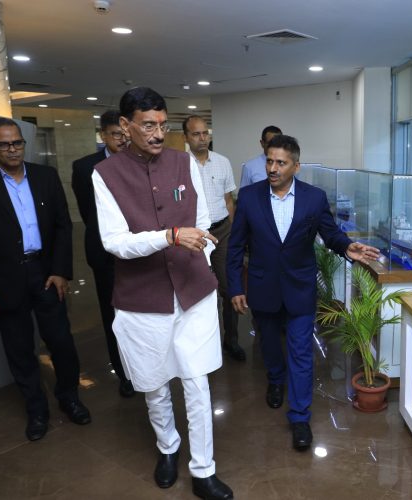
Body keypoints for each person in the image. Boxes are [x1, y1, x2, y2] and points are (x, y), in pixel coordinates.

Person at [92, 87, 232, 500]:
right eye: (147, 125)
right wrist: (168, 236)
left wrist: (202, 257)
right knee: (154, 384)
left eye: (163, 124)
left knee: (197, 382)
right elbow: (115, 242)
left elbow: (203, 222)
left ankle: (204, 469)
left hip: (194, 292)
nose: (157, 133)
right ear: (125, 125)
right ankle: (168, 447)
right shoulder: (106, 174)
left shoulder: (183, 162)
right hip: (142, 298)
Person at [227, 134, 380, 451]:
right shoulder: (250, 197)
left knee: (300, 352)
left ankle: (299, 417)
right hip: (263, 286)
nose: (273, 168)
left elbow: (331, 234)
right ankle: (275, 379)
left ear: (295, 166)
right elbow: (236, 245)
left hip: (299, 288)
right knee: (269, 345)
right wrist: (235, 286)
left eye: (281, 163)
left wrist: (347, 247)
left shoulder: (314, 198)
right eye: (270, 161)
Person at [0, 117, 91, 442]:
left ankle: (69, 398)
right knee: (19, 349)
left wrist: (60, 270)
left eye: (17, 142)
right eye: (3, 144)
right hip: (5, 279)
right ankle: (37, 410)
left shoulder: (45, 176)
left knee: (61, 342)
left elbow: (62, 226)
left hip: (46, 274)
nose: (12, 149)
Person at [71, 110, 135, 397]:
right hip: (105, 254)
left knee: (140, 313)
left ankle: (145, 366)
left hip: (140, 251)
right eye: (115, 134)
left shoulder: (140, 160)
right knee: (113, 315)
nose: (122, 140)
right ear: (103, 135)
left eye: (125, 134)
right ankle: (124, 373)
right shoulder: (85, 167)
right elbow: (88, 212)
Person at [183, 116, 245, 362]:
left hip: (222, 232)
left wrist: (233, 229)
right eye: (196, 134)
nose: (202, 138)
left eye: (205, 133)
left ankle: (231, 340)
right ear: (186, 137)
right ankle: (201, 343)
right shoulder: (179, 165)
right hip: (194, 235)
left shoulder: (222, 162)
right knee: (199, 290)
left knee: (229, 287)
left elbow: (229, 200)